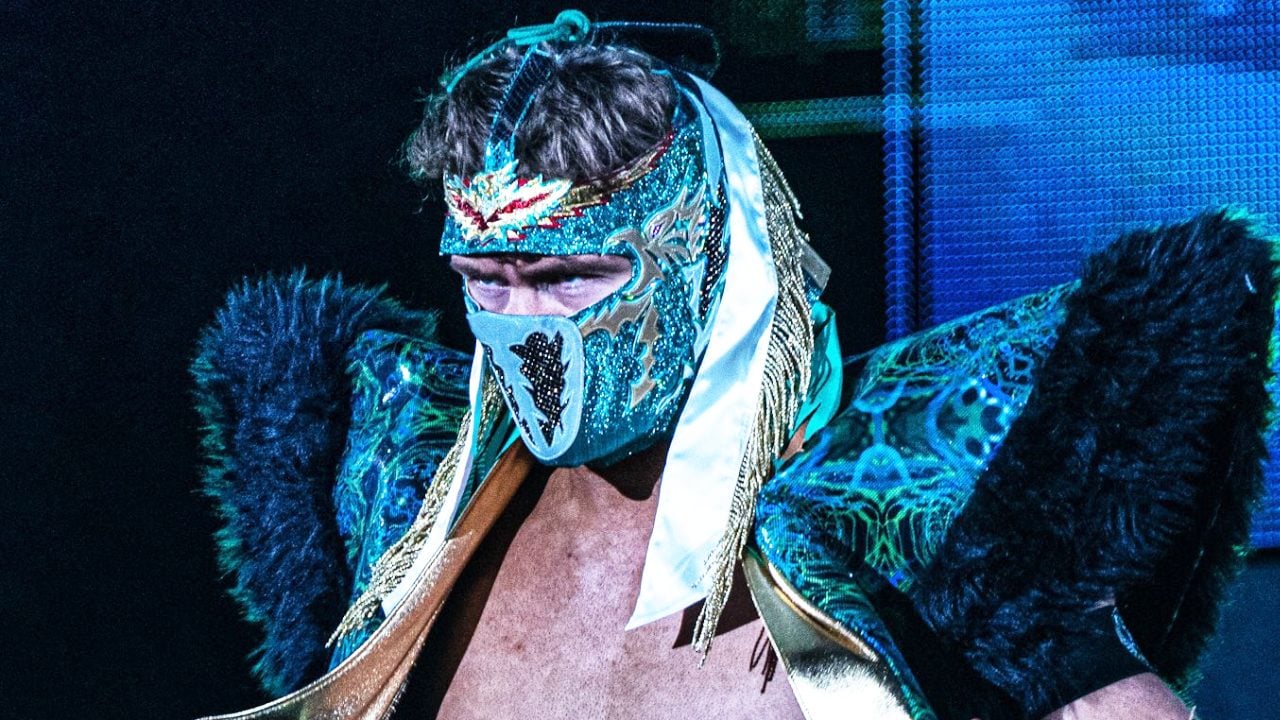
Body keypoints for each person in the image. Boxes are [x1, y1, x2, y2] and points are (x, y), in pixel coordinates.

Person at [191, 12, 1276, 720]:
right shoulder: (396, 513)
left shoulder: (910, 514)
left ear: (708, 259)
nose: (525, 323)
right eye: (487, 277)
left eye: (569, 275)